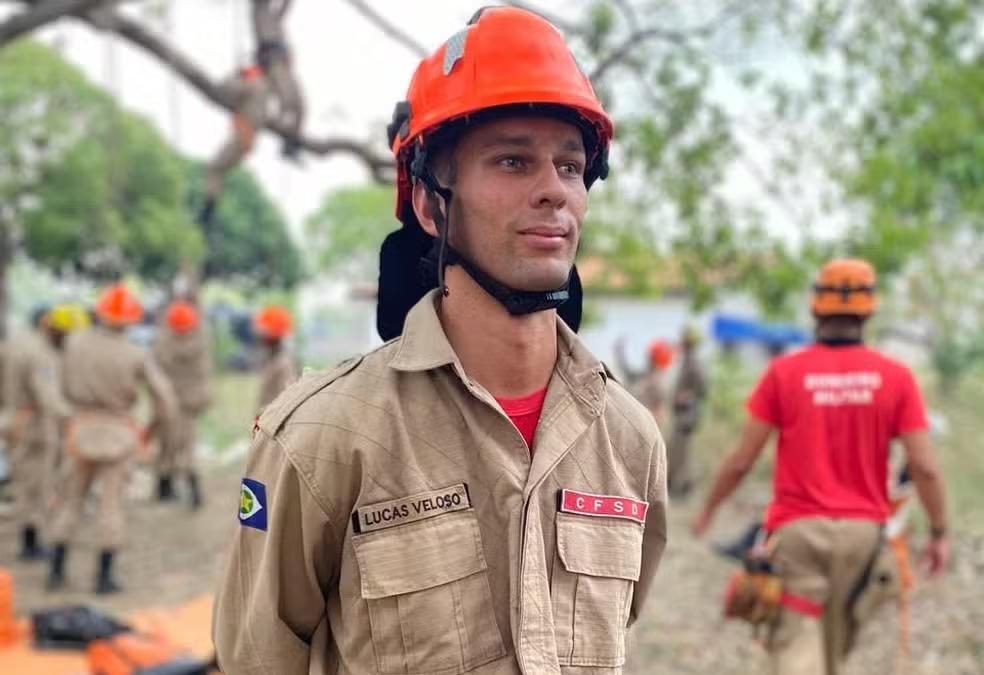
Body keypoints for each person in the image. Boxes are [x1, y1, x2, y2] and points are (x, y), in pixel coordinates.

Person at [213, 7, 668, 674]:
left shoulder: (629, 438)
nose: (553, 190)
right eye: (513, 160)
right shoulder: (323, 437)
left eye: (570, 167)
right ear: (430, 204)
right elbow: (257, 658)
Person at [692, 258, 949, 675]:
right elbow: (926, 467)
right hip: (864, 538)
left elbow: (742, 460)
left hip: (798, 536)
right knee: (831, 655)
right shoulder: (896, 377)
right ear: (869, 310)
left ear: (816, 308)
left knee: (797, 652)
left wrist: (708, 510)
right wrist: (939, 533)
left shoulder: (784, 373)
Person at [47, 284, 176, 594]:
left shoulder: (73, 344)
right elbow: (166, 399)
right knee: (111, 505)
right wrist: (151, 430)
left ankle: (55, 571)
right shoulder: (136, 354)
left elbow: (56, 387)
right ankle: (104, 579)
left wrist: (68, 418)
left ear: (101, 312)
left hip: (80, 431)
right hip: (119, 435)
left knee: (71, 501)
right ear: (131, 320)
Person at [2, 304, 87, 560]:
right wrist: (72, 417)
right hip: (34, 425)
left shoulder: (16, 344)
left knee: (25, 482)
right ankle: (31, 543)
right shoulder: (42, 356)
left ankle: (30, 538)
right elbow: (47, 395)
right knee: (36, 486)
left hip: (13, 418)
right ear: (56, 330)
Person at [152, 300, 213, 508]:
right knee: (187, 446)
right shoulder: (200, 342)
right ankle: (192, 486)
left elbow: (155, 372)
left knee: (167, 444)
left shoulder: (163, 344)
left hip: (169, 401)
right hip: (190, 403)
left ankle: (164, 486)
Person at [199, 63, 270, 226]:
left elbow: (226, 89)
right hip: (249, 140)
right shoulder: (264, 92)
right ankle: (210, 210)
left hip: (242, 136)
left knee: (213, 168)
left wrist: (235, 75)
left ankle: (208, 212)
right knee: (219, 171)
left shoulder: (251, 84)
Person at [251, 0, 304, 159]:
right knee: (287, 101)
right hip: (272, 62)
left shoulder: (274, 19)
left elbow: (286, 5)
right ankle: (279, 129)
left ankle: (290, 144)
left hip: (283, 64)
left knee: (300, 107)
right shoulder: (260, 12)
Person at [666, 323, 707, 496]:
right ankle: (678, 483)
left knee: (682, 450)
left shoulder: (694, 363)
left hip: (688, 414)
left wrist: (687, 396)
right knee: (677, 448)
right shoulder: (688, 361)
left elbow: (702, 388)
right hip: (684, 413)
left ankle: (683, 485)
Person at [615, 336, 674, 427]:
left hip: (643, 425)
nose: (648, 358)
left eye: (651, 356)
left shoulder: (658, 382)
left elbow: (659, 411)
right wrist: (620, 354)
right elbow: (627, 372)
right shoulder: (648, 375)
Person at [252, 305, 297, 415]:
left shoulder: (283, 364)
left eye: (263, 332)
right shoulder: (271, 358)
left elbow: (286, 402)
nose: (259, 336)